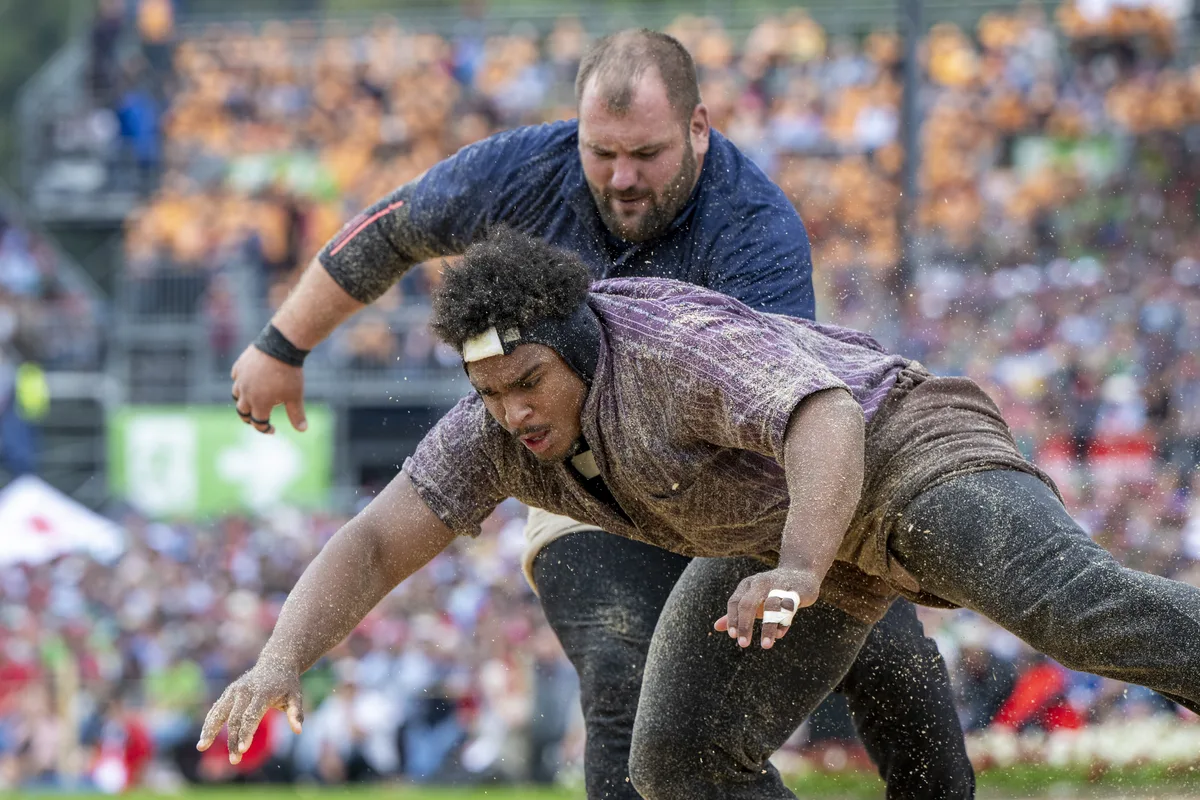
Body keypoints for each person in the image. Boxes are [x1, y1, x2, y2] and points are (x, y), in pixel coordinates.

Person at [229, 29, 972, 797]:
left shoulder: (753, 227)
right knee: (623, 671)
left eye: (645, 155)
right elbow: (387, 229)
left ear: (697, 129)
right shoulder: (520, 173)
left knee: (890, 656)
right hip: (584, 480)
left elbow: (788, 421)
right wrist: (282, 344)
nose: (621, 179)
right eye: (601, 152)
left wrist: (808, 564)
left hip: (728, 472)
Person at [200, 230, 1200, 800]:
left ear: (578, 344)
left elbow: (823, 416)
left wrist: (803, 569)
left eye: (529, 382)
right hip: (793, 535)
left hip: (901, 448)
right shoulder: (492, 427)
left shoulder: (667, 346)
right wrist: (283, 655)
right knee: (677, 752)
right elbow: (376, 538)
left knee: (1073, 608)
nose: (513, 411)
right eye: (491, 389)